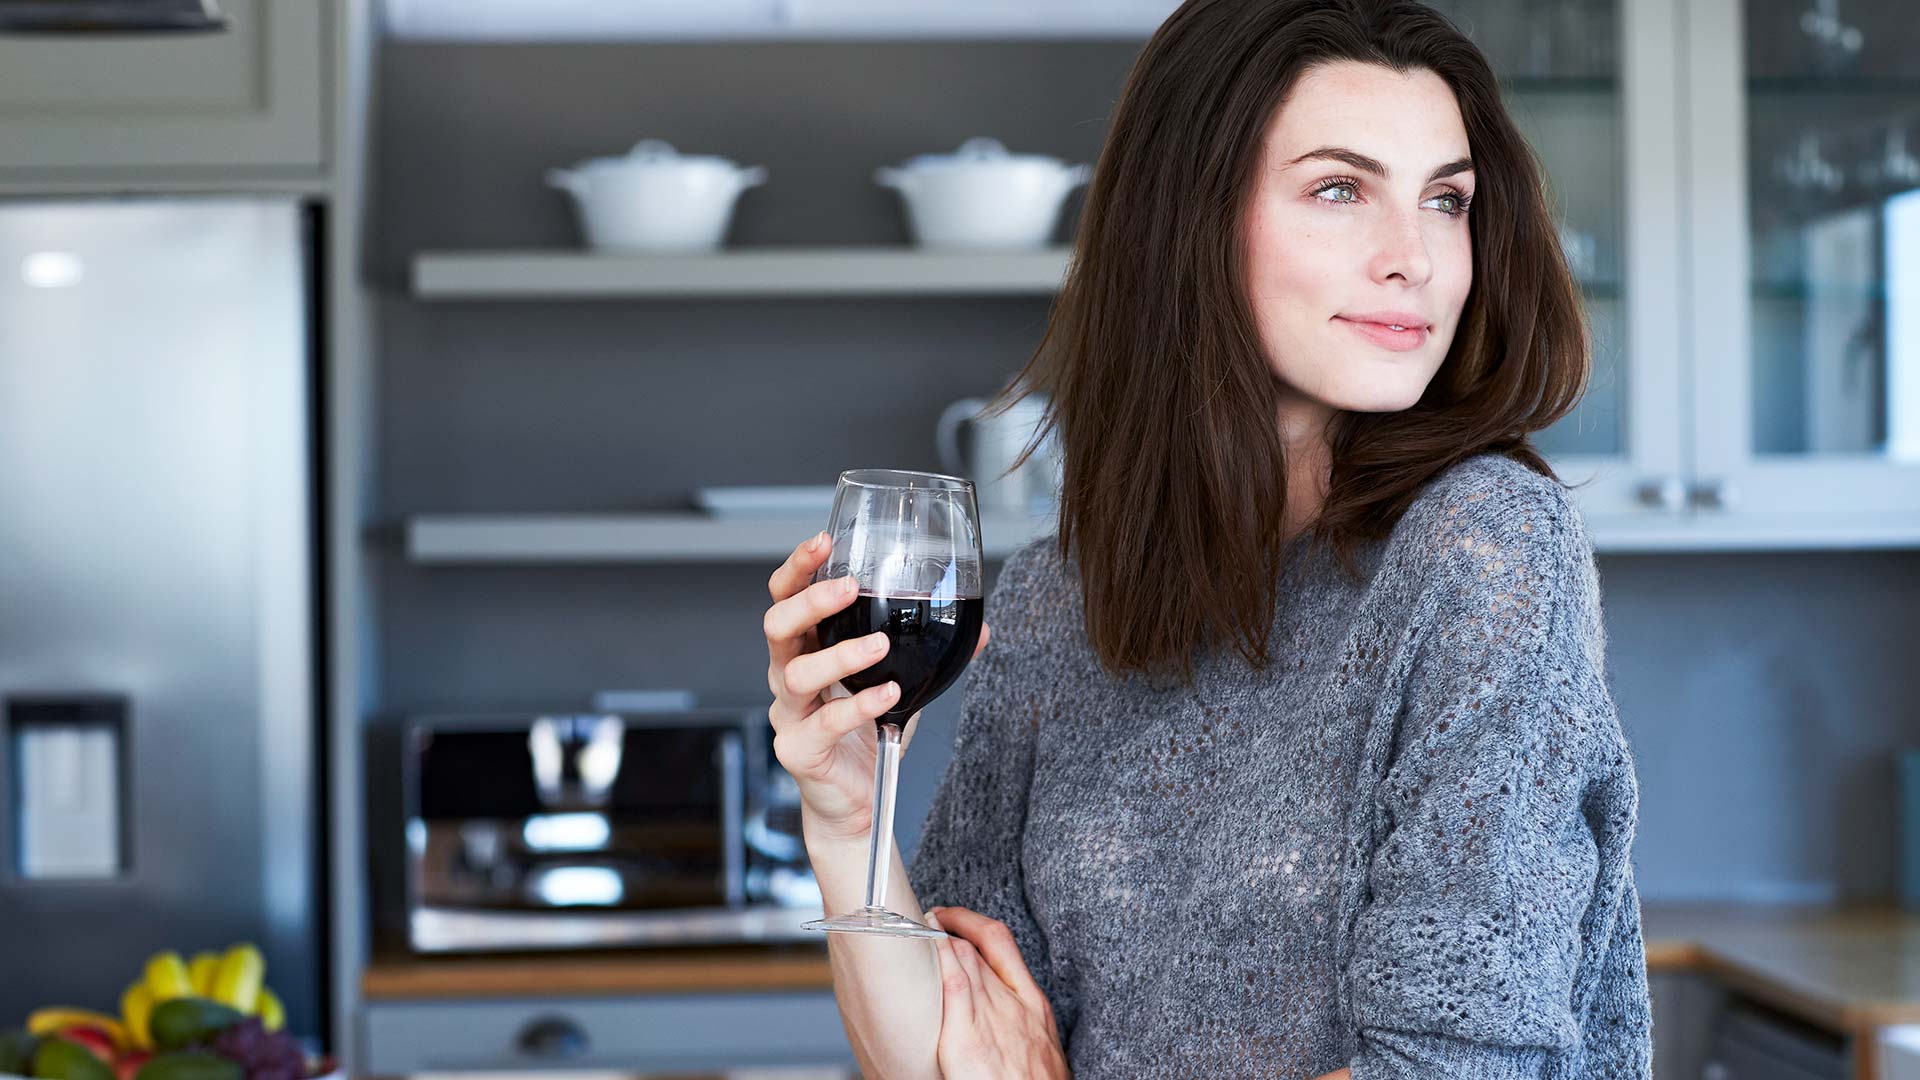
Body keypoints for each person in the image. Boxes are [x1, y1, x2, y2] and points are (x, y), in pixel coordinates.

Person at [762, 0, 1653, 1075]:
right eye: (1340, 189)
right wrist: (845, 816)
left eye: (1447, 200)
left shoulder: (1486, 549)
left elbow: (1460, 1066)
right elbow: (960, 1040)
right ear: (1189, 217)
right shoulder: (1064, 598)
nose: (1415, 257)